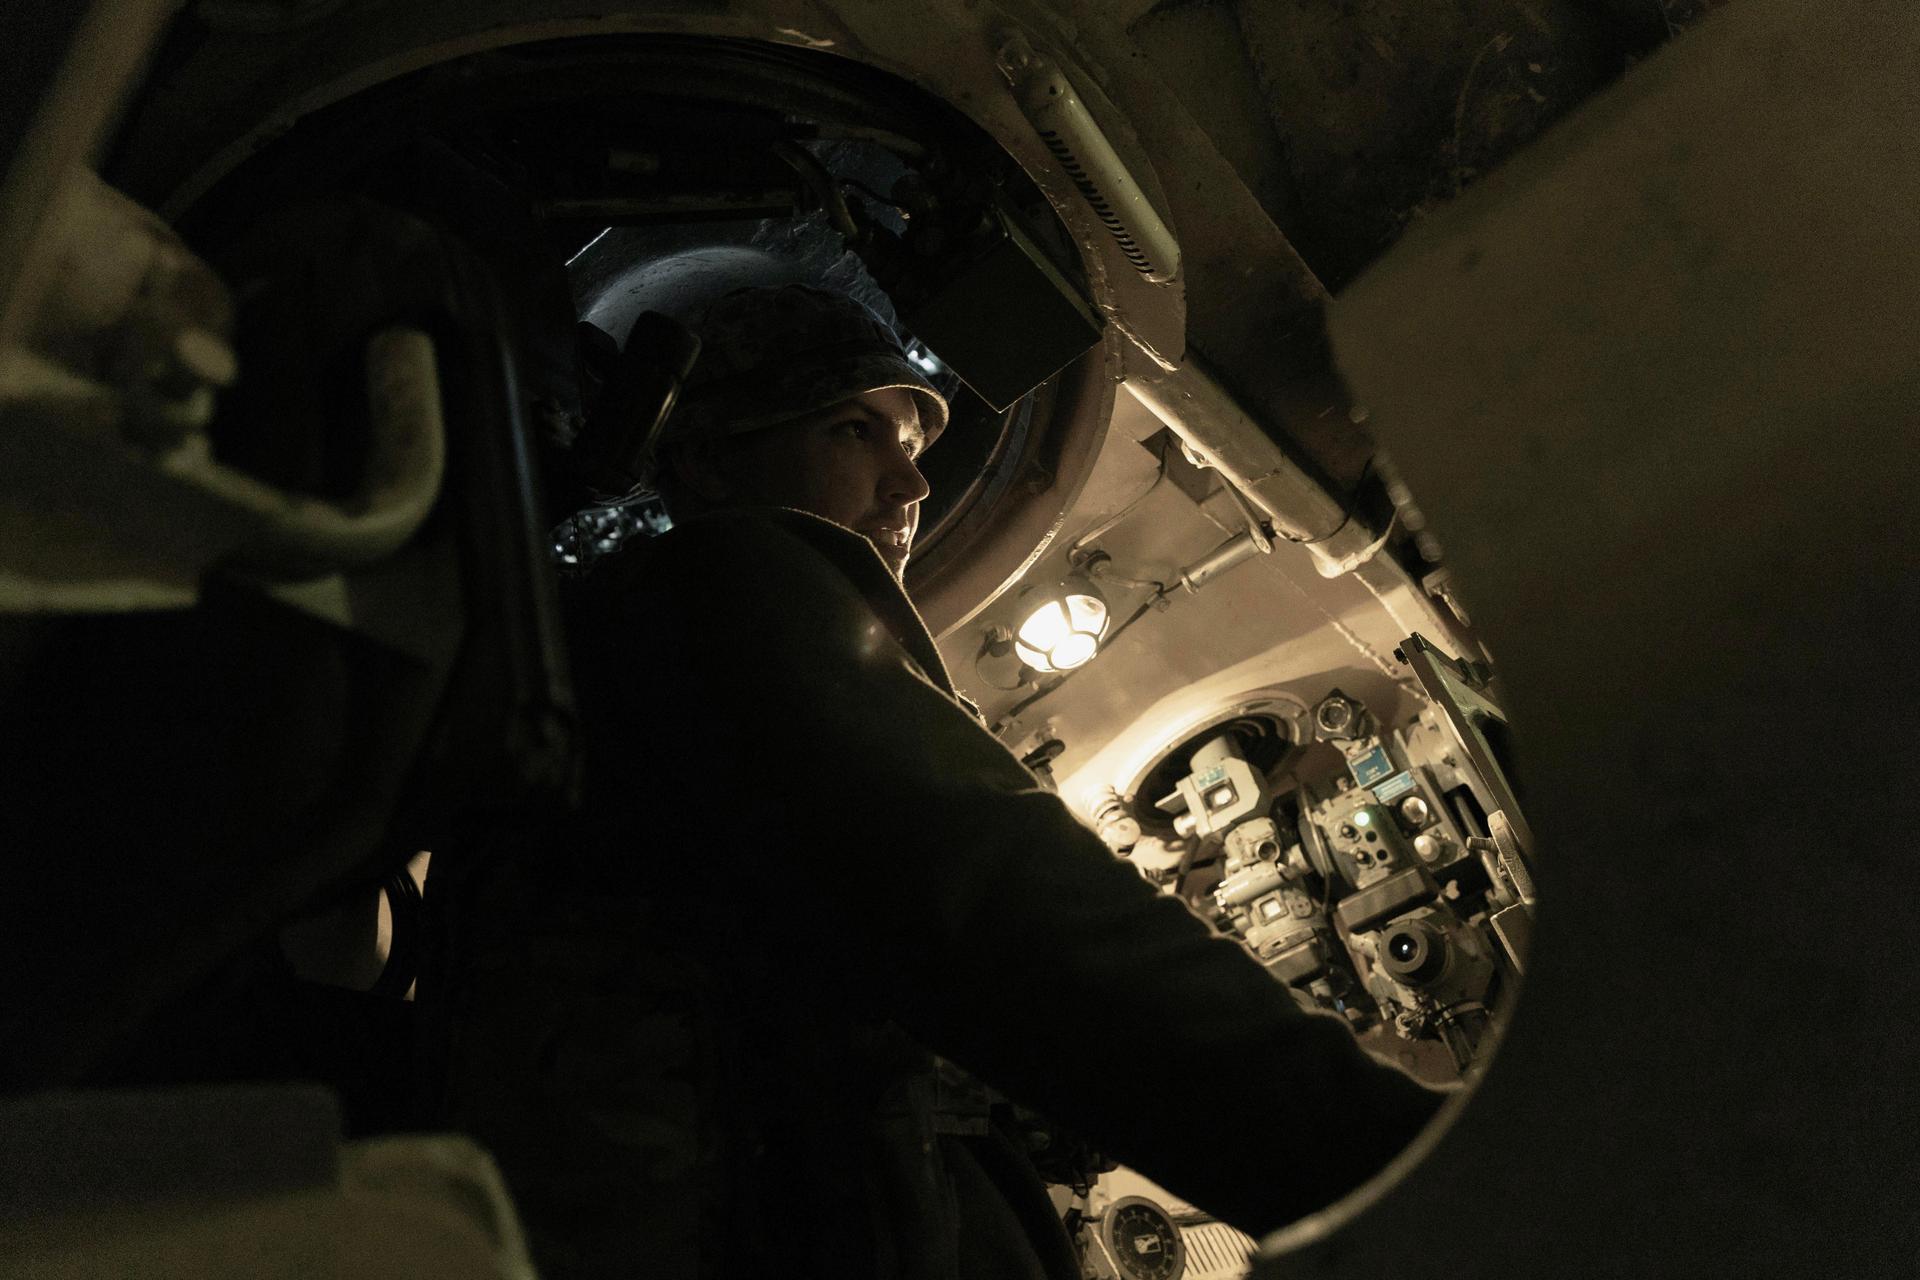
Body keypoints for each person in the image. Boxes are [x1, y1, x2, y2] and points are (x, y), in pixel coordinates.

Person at [438, 284, 1443, 1280]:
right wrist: (1408, 1169)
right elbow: (1008, 903)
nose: (911, 485)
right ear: (704, 458)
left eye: (913, 447)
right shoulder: (714, 588)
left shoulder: (662, 661)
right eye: (853, 431)